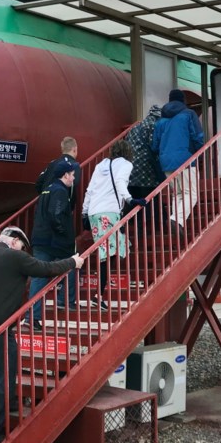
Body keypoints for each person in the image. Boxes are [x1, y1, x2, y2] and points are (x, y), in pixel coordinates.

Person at [0, 226, 84, 443]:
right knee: (2, 379)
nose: (24, 250)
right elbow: (46, 268)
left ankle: (12, 403)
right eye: (23, 246)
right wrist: (73, 262)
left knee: (6, 366)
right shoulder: (15, 258)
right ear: (15, 241)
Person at [81, 139, 146, 309]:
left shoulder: (100, 165)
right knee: (111, 253)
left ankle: (99, 293)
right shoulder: (125, 164)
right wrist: (130, 199)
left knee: (106, 253)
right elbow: (120, 182)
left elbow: (90, 189)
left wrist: (84, 211)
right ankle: (98, 295)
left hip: (95, 212)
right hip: (109, 212)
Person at [27, 161, 78, 327]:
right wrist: (64, 232)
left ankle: (32, 316)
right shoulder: (60, 191)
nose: (73, 178)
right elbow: (55, 214)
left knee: (39, 277)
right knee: (73, 265)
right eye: (72, 174)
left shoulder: (47, 189)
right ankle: (65, 300)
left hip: (41, 239)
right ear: (65, 175)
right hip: (54, 240)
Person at [151, 89, 205, 233]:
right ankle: (176, 220)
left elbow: (154, 146)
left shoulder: (160, 121)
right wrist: (200, 153)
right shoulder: (189, 114)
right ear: (183, 100)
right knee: (192, 193)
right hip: (185, 159)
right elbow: (198, 136)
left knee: (178, 194)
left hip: (166, 163)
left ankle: (177, 223)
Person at [125, 105, 165, 230]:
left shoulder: (135, 127)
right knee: (152, 198)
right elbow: (155, 147)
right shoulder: (154, 126)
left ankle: (134, 225)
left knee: (136, 199)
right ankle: (157, 224)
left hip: (131, 170)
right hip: (146, 170)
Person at [35, 136, 83, 206]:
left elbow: (39, 183)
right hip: (60, 207)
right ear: (74, 149)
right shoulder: (74, 165)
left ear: (62, 149)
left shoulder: (52, 163)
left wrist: (45, 196)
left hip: (43, 206)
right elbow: (73, 184)